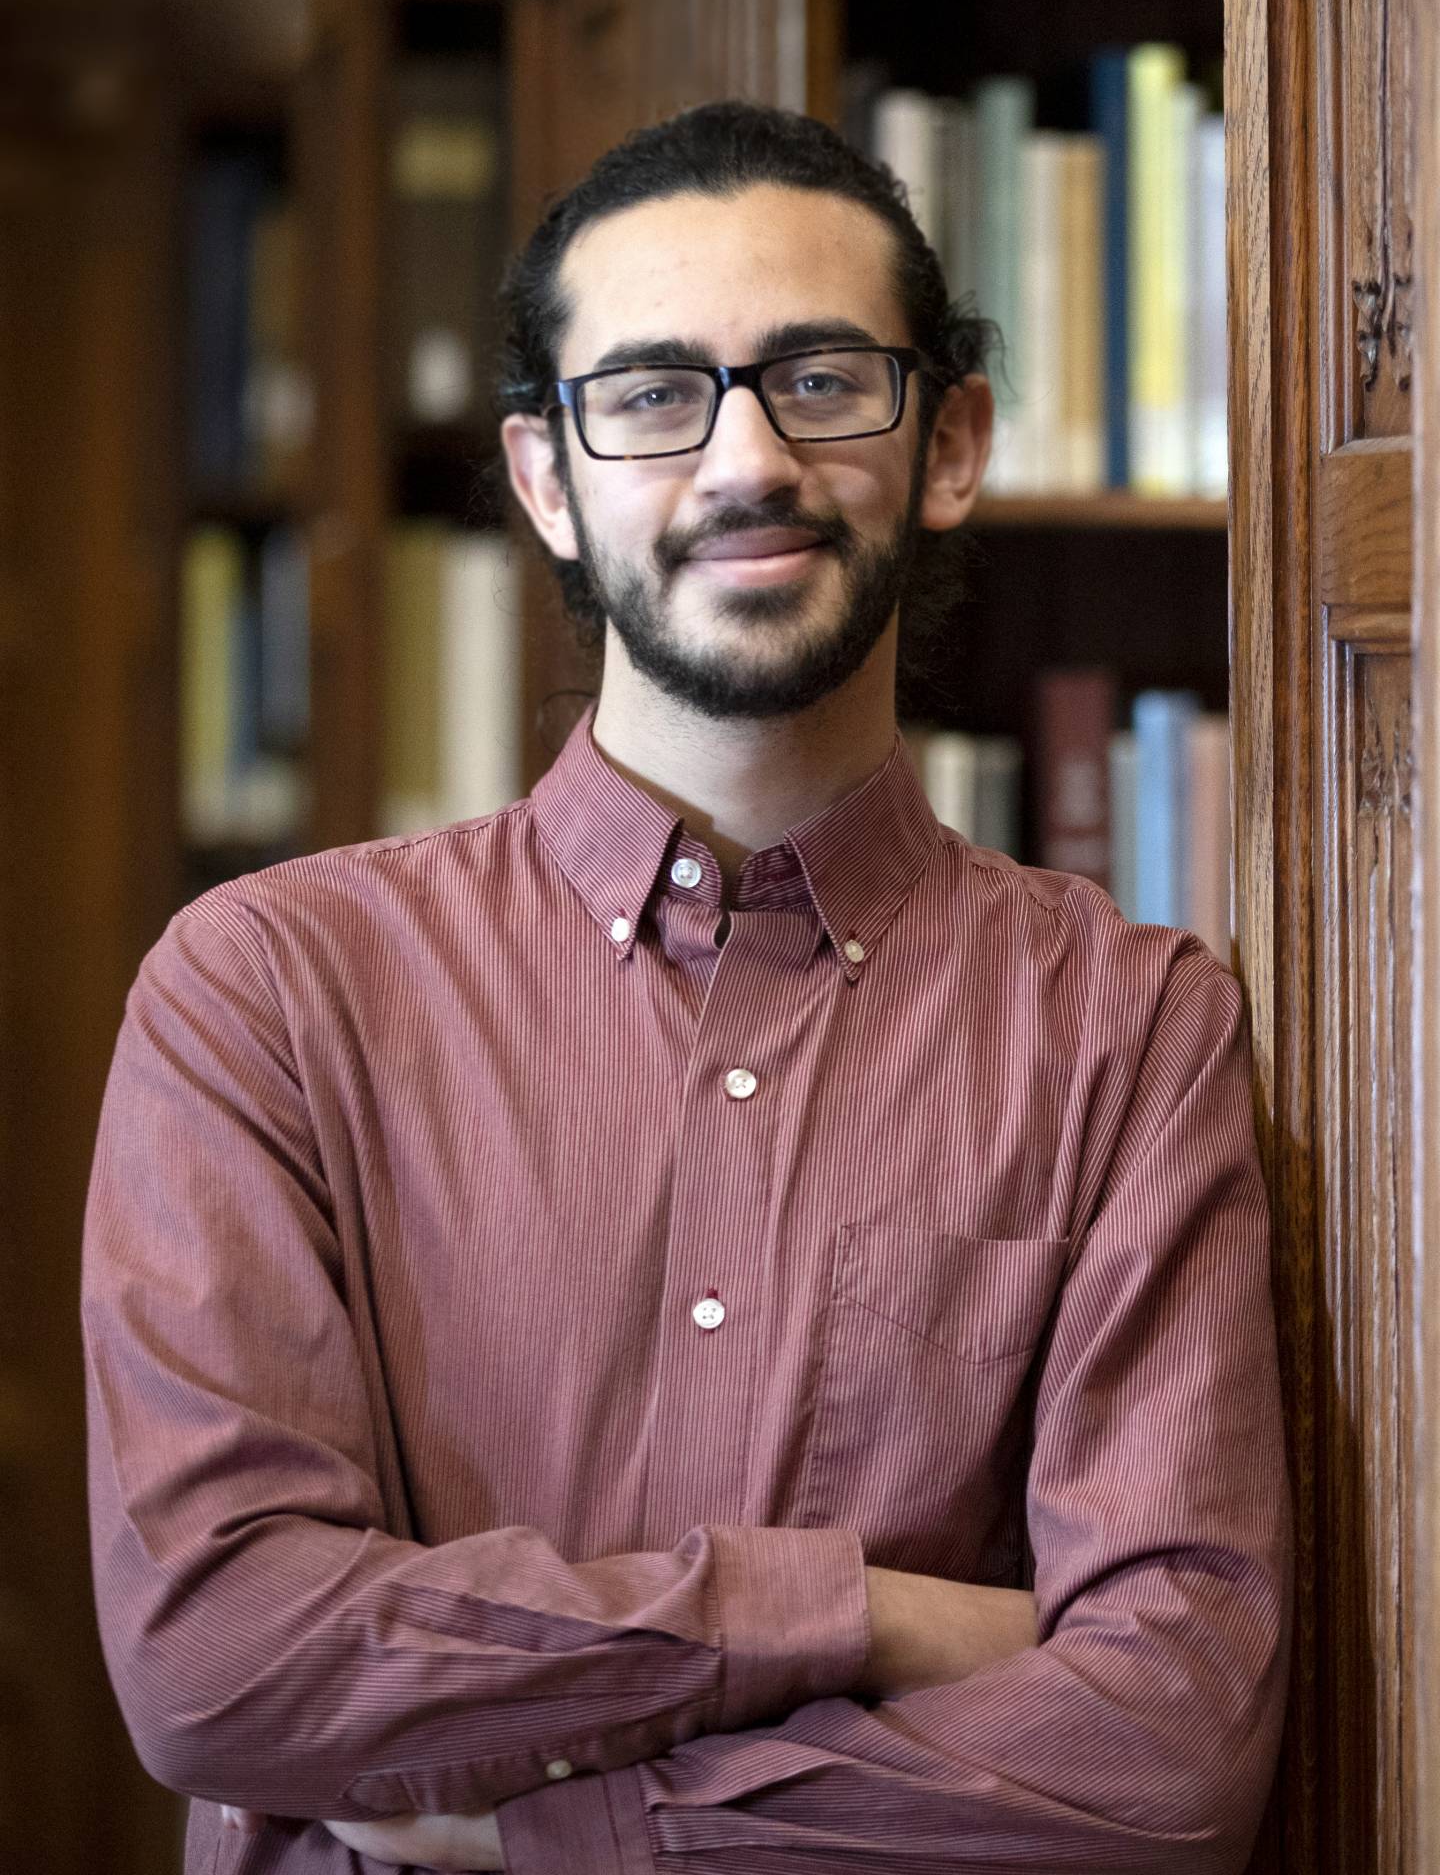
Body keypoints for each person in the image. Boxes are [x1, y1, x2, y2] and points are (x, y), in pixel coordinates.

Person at [82, 99, 1291, 1874]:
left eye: (817, 379)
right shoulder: (269, 991)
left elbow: (1168, 1744)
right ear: (546, 480)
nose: (743, 463)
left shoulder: (1133, 1026)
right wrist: (861, 1619)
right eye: (651, 395)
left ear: (948, 444)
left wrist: (558, 1825)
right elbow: (218, 1660)